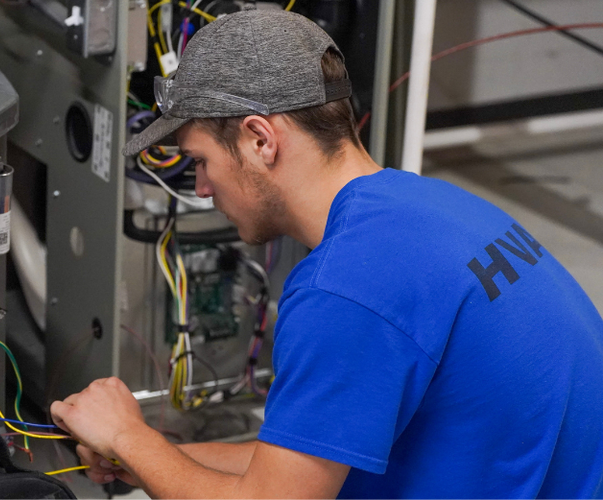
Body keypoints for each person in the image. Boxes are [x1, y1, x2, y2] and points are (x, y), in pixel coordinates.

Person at [49, 6, 603, 499]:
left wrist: (128, 434)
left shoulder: (345, 288)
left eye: (199, 160)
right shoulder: (430, 204)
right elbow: (298, 469)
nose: (199, 188)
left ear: (261, 139)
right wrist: (145, 457)